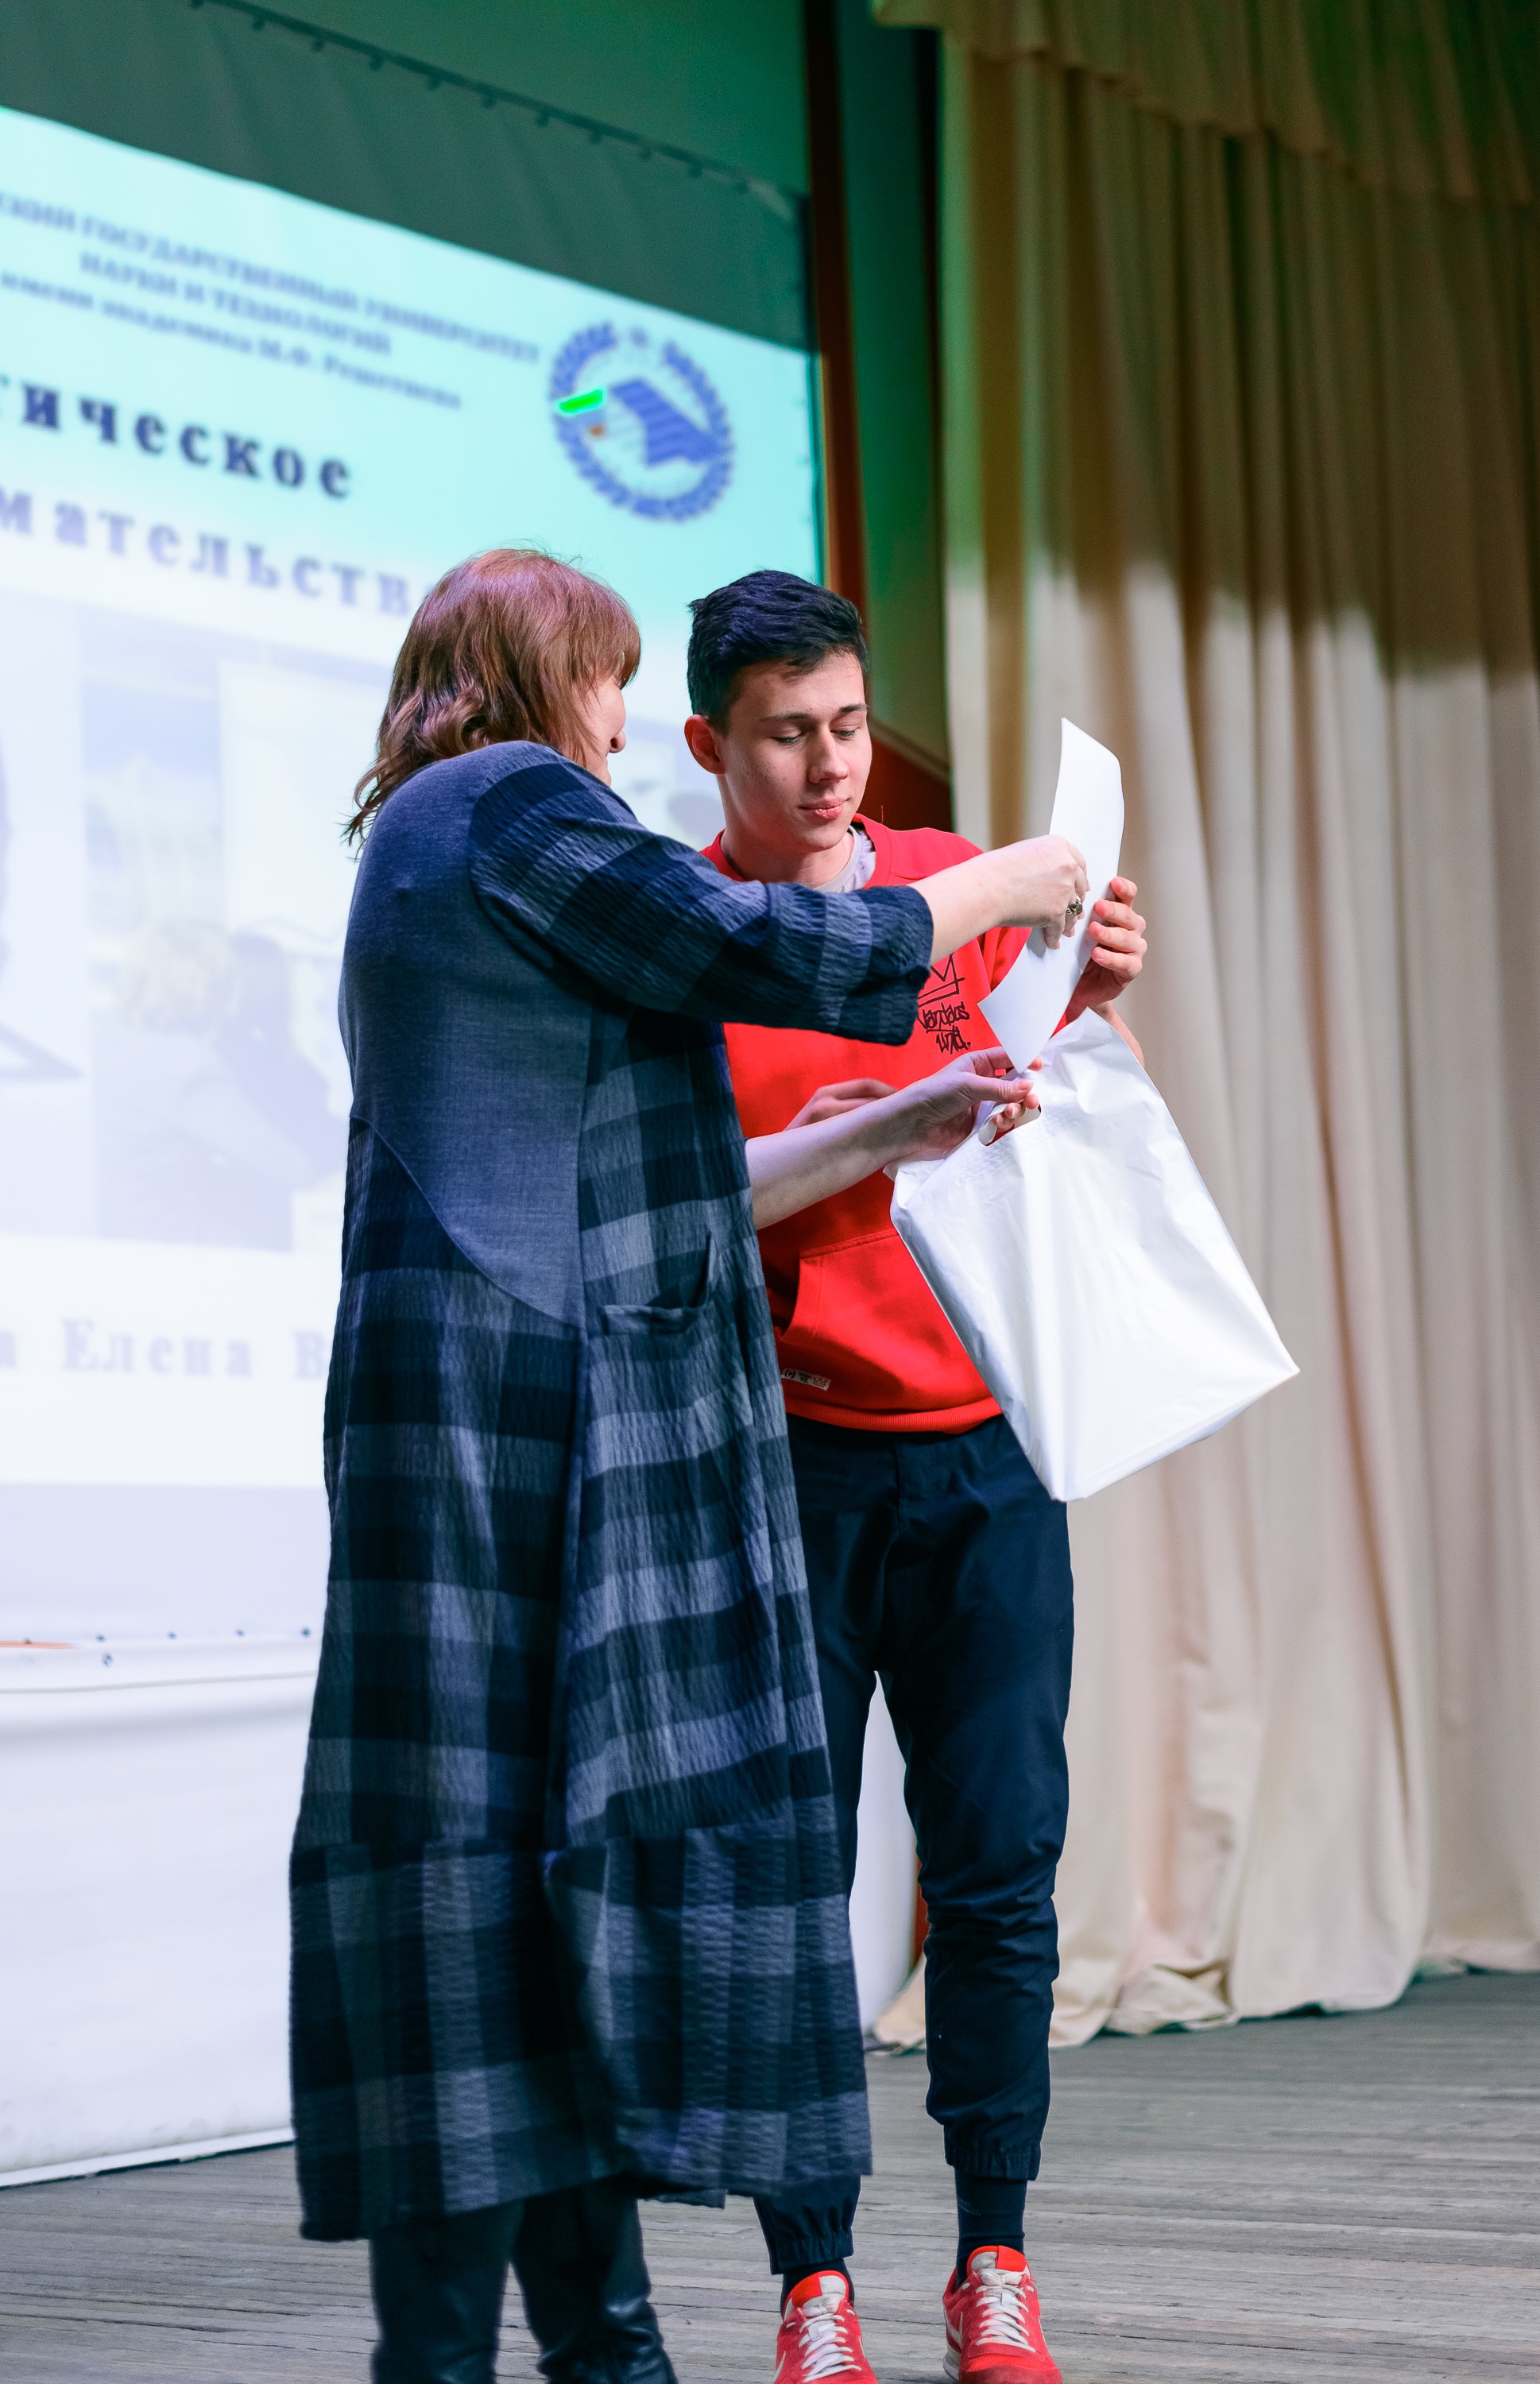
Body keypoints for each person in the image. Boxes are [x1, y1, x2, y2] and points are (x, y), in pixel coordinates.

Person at [287, 548, 1092, 2384]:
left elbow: (677, 1186)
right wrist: (1015, 876)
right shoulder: (507, 804)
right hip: (501, 1448)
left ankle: (612, 2351)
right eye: (609, 676)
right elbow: (772, 944)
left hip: (514, 1436)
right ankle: (514, 2356)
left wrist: (895, 1120)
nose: (617, 719)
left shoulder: (447, 844)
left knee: (537, 1900)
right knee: (476, 1910)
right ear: (536, 676)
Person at [683, 571, 1149, 2384]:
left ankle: (992, 2258)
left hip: (985, 1458)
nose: (827, 768)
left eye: (849, 727)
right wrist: (821, 1146)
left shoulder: (953, 884)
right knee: (789, 1885)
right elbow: (670, 1217)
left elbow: (1067, 1105)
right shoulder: (684, 941)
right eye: (784, 736)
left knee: (999, 1874)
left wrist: (1091, 992)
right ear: (709, 744)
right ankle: (810, 2282)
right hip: (786, 1470)